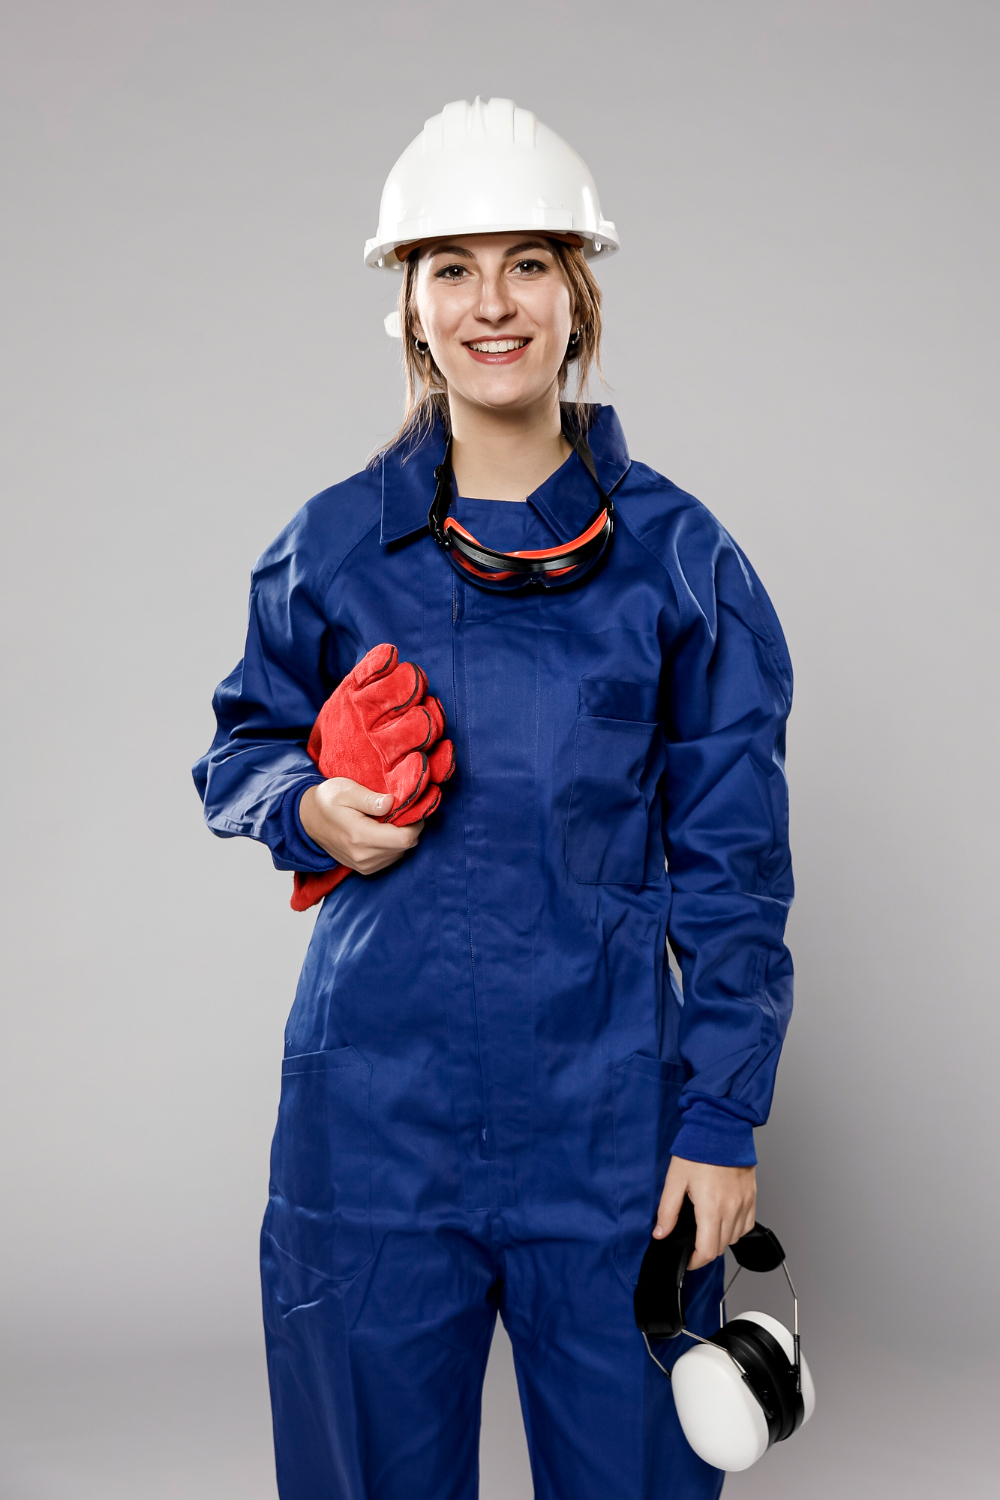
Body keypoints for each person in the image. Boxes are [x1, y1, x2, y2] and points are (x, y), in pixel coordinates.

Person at [194, 97, 794, 1500]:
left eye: (528, 262)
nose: (491, 303)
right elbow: (238, 748)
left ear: (577, 297)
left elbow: (735, 859)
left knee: (640, 1475)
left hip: (609, 1121)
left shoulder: (679, 560)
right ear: (408, 308)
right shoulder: (332, 546)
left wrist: (720, 1118)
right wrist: (309, 803)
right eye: (450, 270)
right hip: (373, 1116)